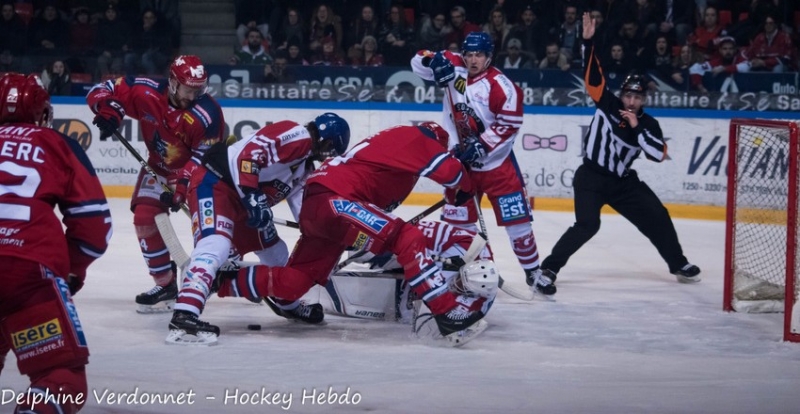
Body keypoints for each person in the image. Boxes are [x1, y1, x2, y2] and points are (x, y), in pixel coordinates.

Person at [279, 122, 486, 343]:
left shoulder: (393, 148)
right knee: (408, 239)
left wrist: (460, 180)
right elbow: (451, 174)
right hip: (336, 200)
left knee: (295, 281)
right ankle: (446, 313)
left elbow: (452, 191)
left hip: (325, 202)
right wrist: (465, 173)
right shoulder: (416, 137)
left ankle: (241, 279)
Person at [539, 13, 701, 292]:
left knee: (657, 216)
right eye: (628, 96)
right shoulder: (607, 103)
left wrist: (637, 128)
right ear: (622, 94)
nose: (632, 101)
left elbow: (658, 153)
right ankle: (549, 269)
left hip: (623, 183)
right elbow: (592, 76)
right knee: (587, 225)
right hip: (590, 177)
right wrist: (588, 42)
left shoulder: (648, 124)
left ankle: (678, 264)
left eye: (638, 98)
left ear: (644, 100)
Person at [166, 113, 351, 344]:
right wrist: (254, 197)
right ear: (326, 139)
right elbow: (248, 156)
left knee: (278, 253)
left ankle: (288, 304)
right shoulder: (298, 136)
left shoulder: (305, 169)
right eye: (330, 148)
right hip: (215, 185)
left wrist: (333, 233)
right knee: (215, 245)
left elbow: (306, 214)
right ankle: (184, 314)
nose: (328, 155)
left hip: (244, 201)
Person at [0, 73, 112, 413]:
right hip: (28, 274)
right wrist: (70, 270)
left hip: (25, 272)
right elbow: (95, 227)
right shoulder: (57, 143)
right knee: (61, 380)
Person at [410, 31, 553, 296]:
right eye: (470, 54)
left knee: (518, 224)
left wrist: (482, 145)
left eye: (479, 55)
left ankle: (533, 272)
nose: (473, 60)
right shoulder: (453, 64)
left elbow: (510, 123)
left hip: (497, 167)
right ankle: (469, 272)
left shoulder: (502, 86)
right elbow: (418, 59)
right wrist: (432, 63)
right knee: (459, 225)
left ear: (489, 57)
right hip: (461, 165)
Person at [86, 55, 225, 313]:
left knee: (209, 226)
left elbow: (204, 157)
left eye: (200, 90)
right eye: (188, 90)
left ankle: (222, 270)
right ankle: (166, 285)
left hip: (199, 173)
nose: (194, 96)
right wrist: (108, 109)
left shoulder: (208, 113)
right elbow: (100, 90)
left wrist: (181, 187)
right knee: (144, 218)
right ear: (173, 83)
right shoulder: (144, 90)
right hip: (159, 167)